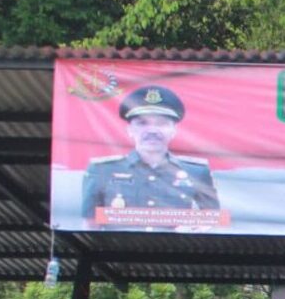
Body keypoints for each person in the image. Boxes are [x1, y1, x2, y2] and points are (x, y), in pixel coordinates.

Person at [81, 84, 219, 218]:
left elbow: (212, 221)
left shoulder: (196, 172)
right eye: (142, 123)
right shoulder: (102, 170)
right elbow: (90, 225)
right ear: (129, 130)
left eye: (161, 123)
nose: (152, 130)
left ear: (174, 130)